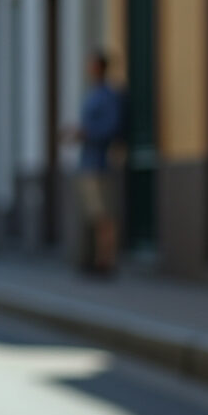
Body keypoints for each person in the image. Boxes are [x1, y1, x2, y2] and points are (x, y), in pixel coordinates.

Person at [69, 50, 125, 275]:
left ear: (99, 68)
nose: (88, 69)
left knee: (104, 215)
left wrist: (87, 133)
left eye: (91, 65)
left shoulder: (108, 96)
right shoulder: (92, 94)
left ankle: (106, 261)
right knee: (93, 214)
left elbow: (112, 127)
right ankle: (94, 258)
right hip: (88, 162)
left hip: (101, 162)